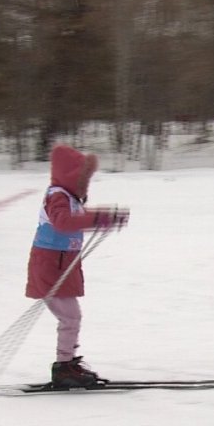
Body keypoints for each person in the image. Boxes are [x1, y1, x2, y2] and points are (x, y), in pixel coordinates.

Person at [25, 144, 130, 389]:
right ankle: (64, 368)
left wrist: (106, 217)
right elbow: (63, 222)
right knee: (70, 317)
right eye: (83, 177)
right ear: (71, 175)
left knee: (71, 316)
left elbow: (75, 219)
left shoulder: (69, 197)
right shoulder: (57, 196)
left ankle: (67, 364)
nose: (86, 183)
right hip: (50, 266)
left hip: (63, 266)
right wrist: (99, 218)